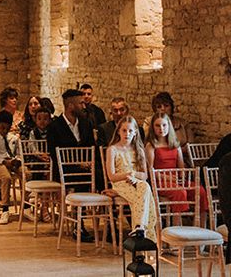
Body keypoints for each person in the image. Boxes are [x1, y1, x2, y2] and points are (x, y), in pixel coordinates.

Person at [47, 89, 96, 241]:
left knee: (100, 176)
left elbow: (91, 147)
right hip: (64, 170)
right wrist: (77, 165)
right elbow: (54, 154)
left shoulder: (86, 123)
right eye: (80, 103)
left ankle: (109, 224)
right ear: (70, 106)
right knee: (83, 178)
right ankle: (78, 226)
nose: (84, 106)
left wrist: (88, 162)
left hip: (86, 169)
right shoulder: (54, 126)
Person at [105, 116, 157, 241]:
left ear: (135, 133)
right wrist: (127, 175)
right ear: (118, 131)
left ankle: (139, 228)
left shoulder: (138, 150)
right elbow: (111, 176)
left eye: (130, 131)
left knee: (144, 187)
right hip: (120, 183)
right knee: (145, 194)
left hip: (137, 182)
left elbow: (144, 175)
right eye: (124, 130)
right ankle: (143, 230)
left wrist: (133, 175)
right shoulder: (112, 150)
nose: (127, 134)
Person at [145, 112, 207, 214]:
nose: (161, 128)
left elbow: (181, 166)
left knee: (200, 190)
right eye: (157, 125)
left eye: (164, 125)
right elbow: (150, 170)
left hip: (177, 180)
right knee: (180, 192)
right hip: (161, 182)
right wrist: (169, 178)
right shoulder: (151, 146)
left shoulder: (175, 145)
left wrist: (182, 177)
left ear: (169, 126)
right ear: (152, 127)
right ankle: (177, 225)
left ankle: (201, 225)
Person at [0, 110, 21, 225]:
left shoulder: (14, 138)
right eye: (2, 128)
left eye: (7, 128)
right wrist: (3, 161)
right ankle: (5, 209)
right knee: (6, 178)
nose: (5, 131)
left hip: (12, 162)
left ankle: (26, 205)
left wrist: (17, 160)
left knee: (26, 173)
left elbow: (19, 153)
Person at [145, 91, 194, 157]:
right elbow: (149, 142)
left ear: (171, 107)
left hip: (182, 156)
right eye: (159, 107)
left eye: (166, 106)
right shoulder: (149, 122)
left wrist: (178, 151)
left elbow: (191, 145)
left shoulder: (183, 123)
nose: (163, 109)